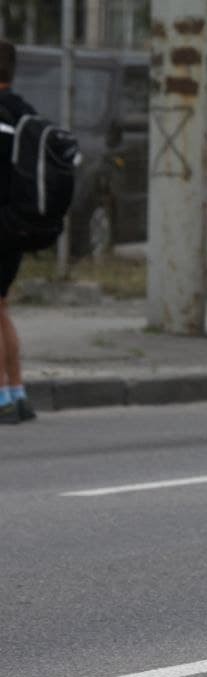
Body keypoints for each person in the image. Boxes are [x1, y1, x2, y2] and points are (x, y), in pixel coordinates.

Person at [0, 39, 37, 424]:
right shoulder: (23, 111)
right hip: (18, 225)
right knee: (2, 309)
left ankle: (2, 399)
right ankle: (17, 392)